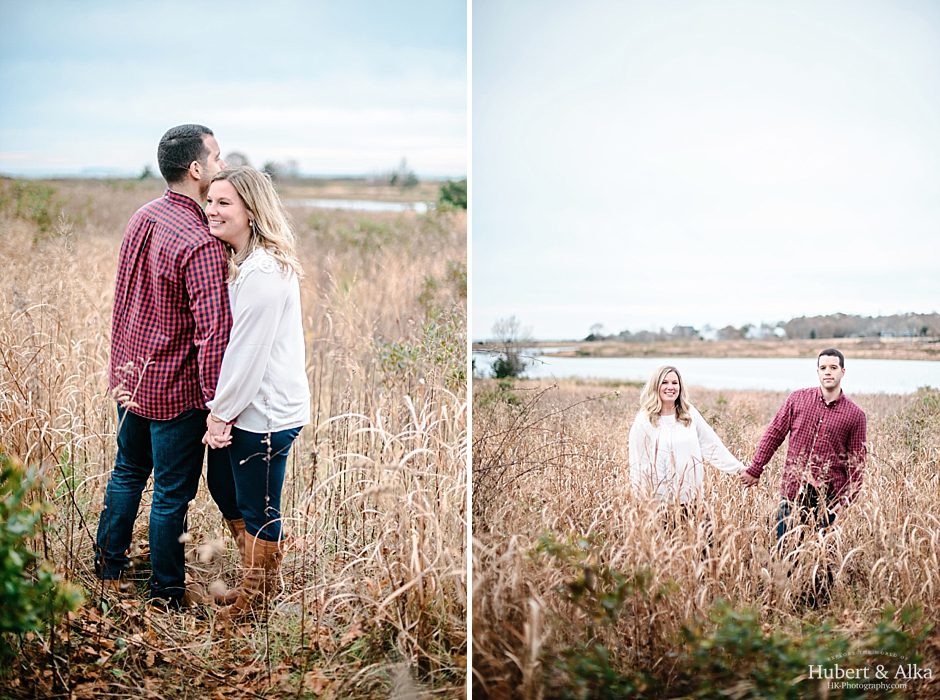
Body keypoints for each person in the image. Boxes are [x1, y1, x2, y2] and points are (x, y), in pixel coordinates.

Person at [95, 124, 230, 607]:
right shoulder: (201, 241)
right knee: (172, 495)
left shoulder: (143, 216)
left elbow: (126, 298)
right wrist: (217, 403)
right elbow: (213, 333)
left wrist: (120, 371)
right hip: (175, 390)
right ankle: (167, 593)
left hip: (131, 381)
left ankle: (107, 567)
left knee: (127, 472)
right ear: (195, 169)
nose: (222, 164)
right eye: (216, 157)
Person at [201, 166, 310, 618]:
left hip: (265, 411)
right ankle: (256, 580)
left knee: (258, 505)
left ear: (251, 211)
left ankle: (257, 599)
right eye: (210, 201)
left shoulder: (264, 270)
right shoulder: (245, 264)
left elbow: (247, 354)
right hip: (248, 407)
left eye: (224, 203)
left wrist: (220, 413)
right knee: (223, 485)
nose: (212, 210)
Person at [740, 348, 867, 606]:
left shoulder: (855, 415)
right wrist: (756, 468)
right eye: (823, 368)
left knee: (822, 557)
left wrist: (845, 504)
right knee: (785, 549)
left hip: (828, 499)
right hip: (792, 492)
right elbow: (774, 434)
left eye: (833, 368)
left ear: (843, 372)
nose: (828, 372)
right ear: (817, 371)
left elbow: (857, 465)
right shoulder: (798, 399)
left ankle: (818, 608)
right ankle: (783, 604)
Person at [629, 365, 745, 505]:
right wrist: (640, 501)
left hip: (691, 500)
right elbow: (637, 462)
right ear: (655, 386)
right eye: (664, 382)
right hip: (658, 502)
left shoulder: (689, 413)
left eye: (675, 383)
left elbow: (711, 444)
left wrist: (739, 469)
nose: (670, 387)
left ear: (680, 387)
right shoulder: (644, 420)